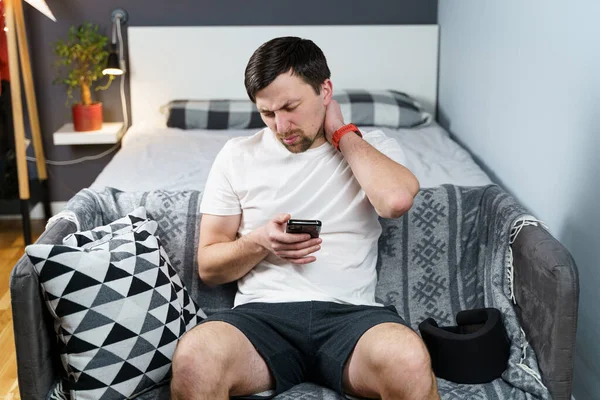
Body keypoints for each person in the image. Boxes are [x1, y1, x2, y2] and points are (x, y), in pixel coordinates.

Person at [171, 36, 440, 400]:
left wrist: (342, 134)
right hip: (260, 321)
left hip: (352, 319)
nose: (282, 127)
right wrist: (260, 243)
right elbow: (209, 265)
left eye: (291, 106)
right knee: (194, 356)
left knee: (408, 359)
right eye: (267, 113)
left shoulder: (372, 148)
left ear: (325, 90)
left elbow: (394, 200)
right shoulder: (236, 155)